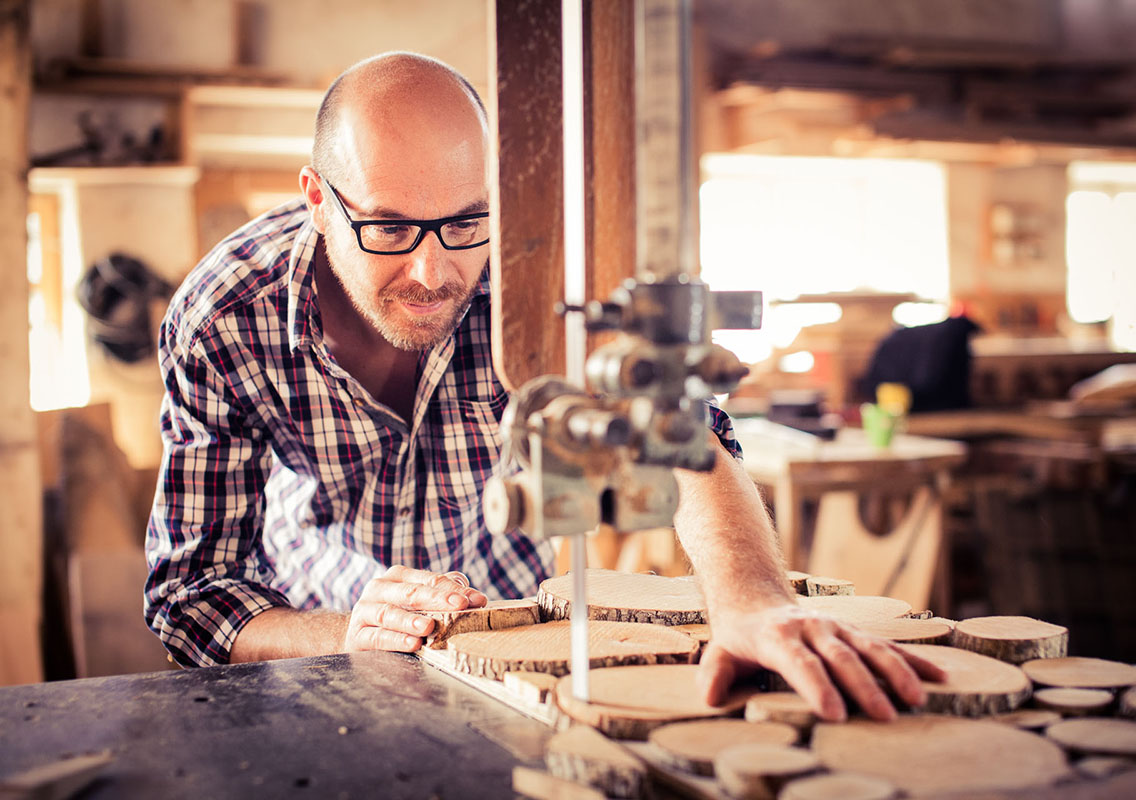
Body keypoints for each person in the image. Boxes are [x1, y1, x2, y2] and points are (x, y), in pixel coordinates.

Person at [146, 51, 943, 722]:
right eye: (388, 229)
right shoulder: (224, 320)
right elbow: (192, 593)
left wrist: (752, 596)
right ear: (318, 199)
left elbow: (682, 427)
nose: (433, 273)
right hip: (317, 643)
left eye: (465, 223)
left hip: (519, 627)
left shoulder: (544, 278)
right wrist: (345, 634)